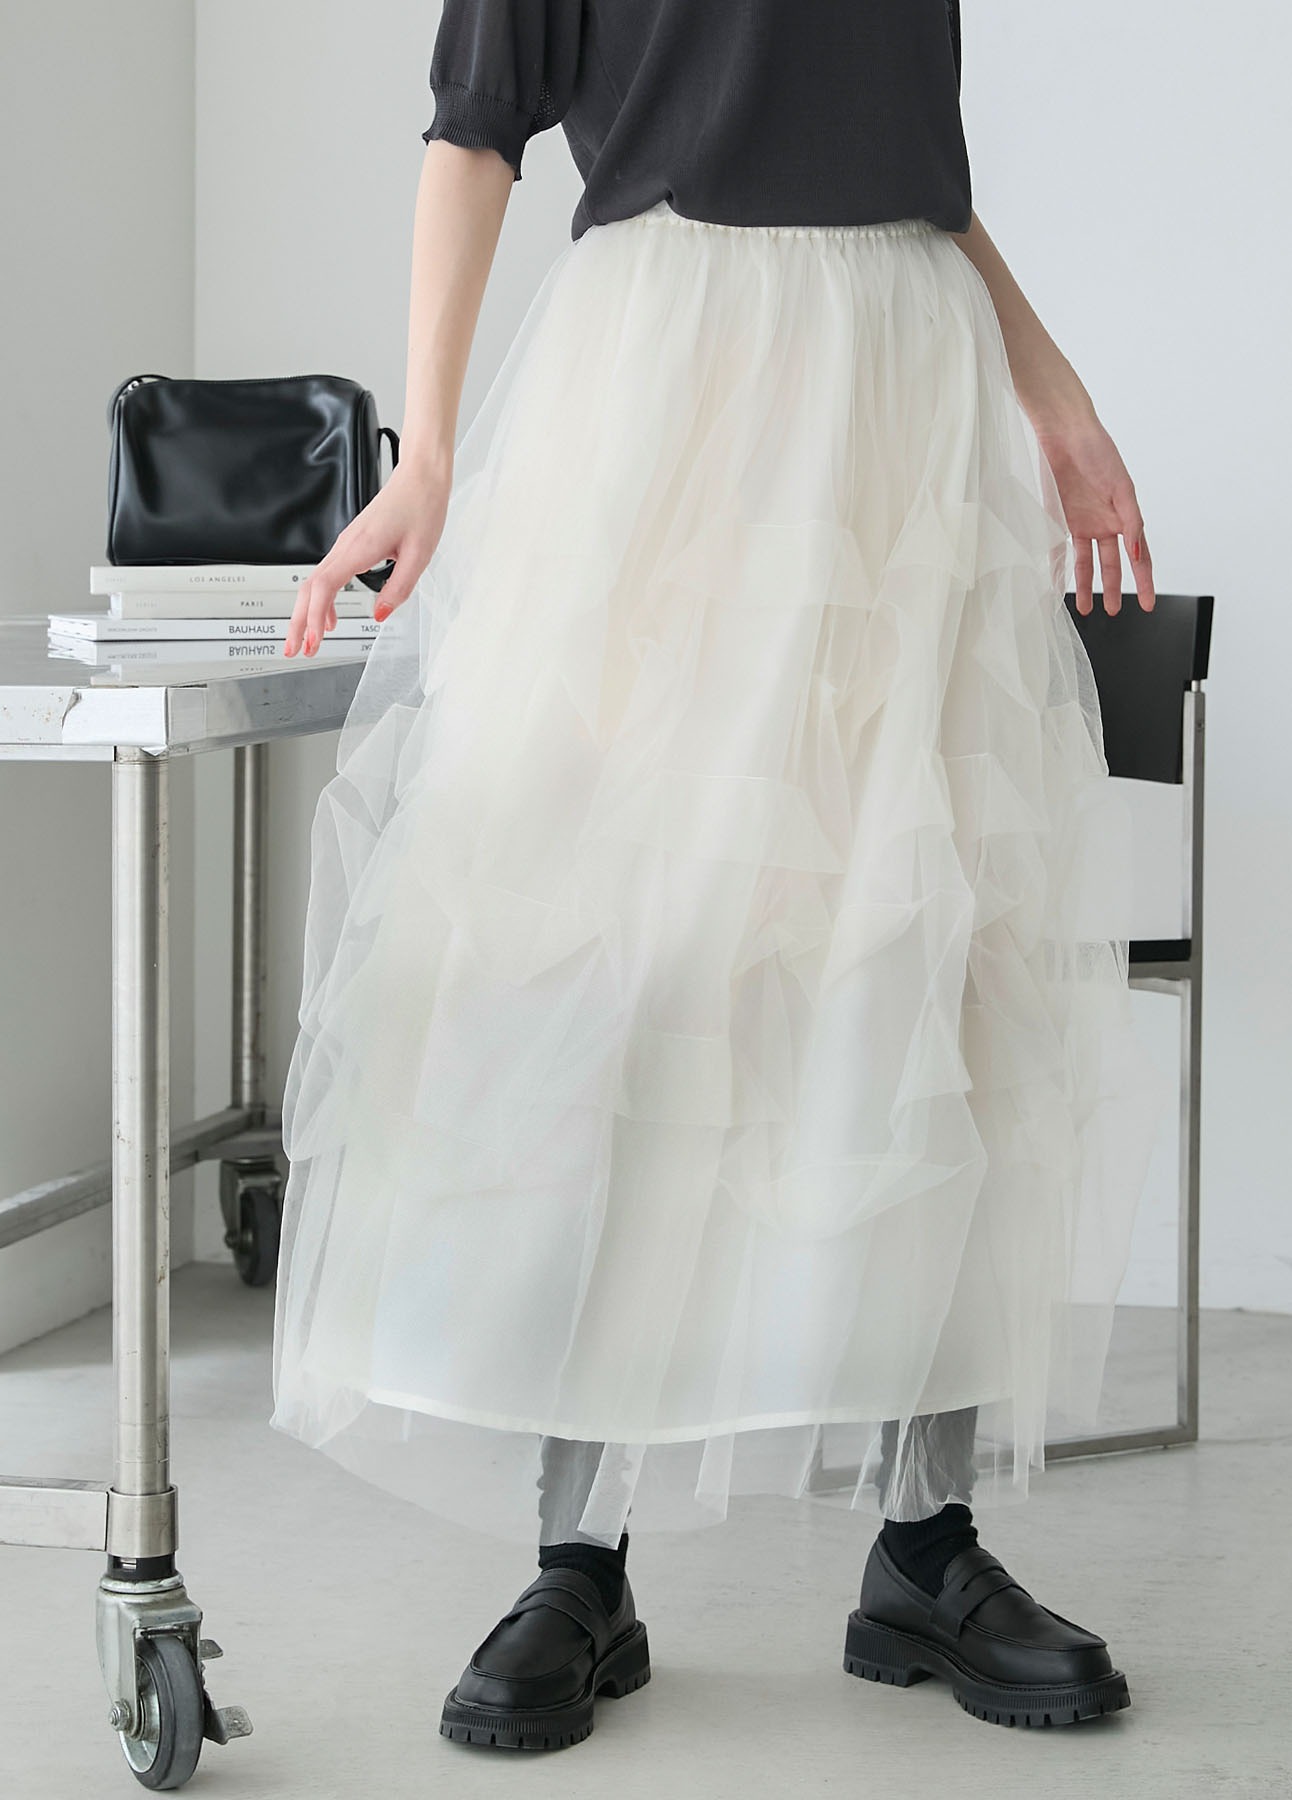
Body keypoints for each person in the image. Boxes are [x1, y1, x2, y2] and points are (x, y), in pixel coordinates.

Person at [272, 0, 1167, 1753]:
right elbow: (477, 125)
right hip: (672, 382)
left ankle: (926, 1545)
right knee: (627, 955)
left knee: (921, 945)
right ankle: (578, 1559)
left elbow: (895, 152)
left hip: (902, 378)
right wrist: (430, 453)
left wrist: (1045, 380)